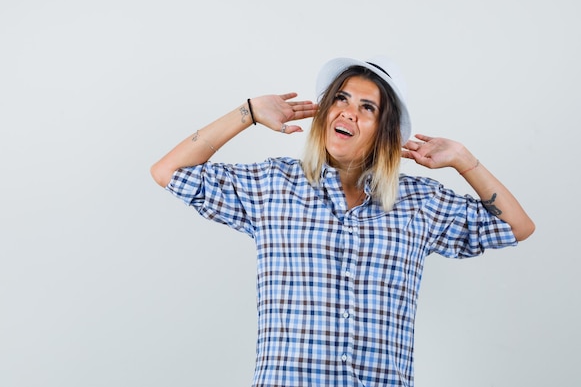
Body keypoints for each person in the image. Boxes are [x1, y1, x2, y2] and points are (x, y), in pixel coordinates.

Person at [150, 56, 535, 387]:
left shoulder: (420, 202)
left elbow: (516, 226)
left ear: (385, 129)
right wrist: (247, 113)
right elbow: (169, 171)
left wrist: (464, 160)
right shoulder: (272, 186)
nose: (350, 111)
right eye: (341, 98)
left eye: (368, 107)